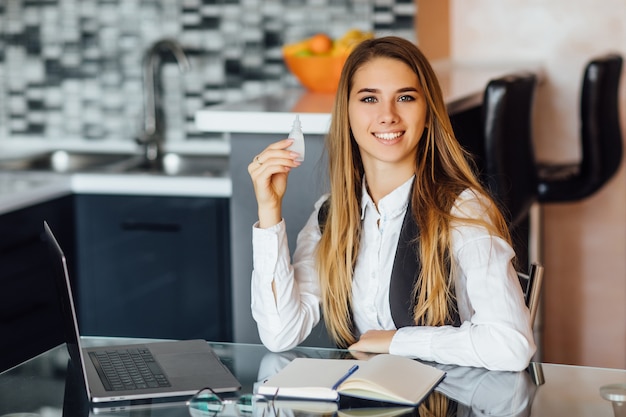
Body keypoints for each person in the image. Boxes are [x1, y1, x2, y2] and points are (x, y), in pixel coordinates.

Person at [247, 36, 536, 372]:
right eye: (369, 98)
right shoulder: (332, 214)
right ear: (348, 114)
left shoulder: (462, 210)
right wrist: (269, 212)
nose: (387, 115)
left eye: (405, 97)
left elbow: (510, 344)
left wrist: (395, 342)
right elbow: (280, 334)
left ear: (427, 113)